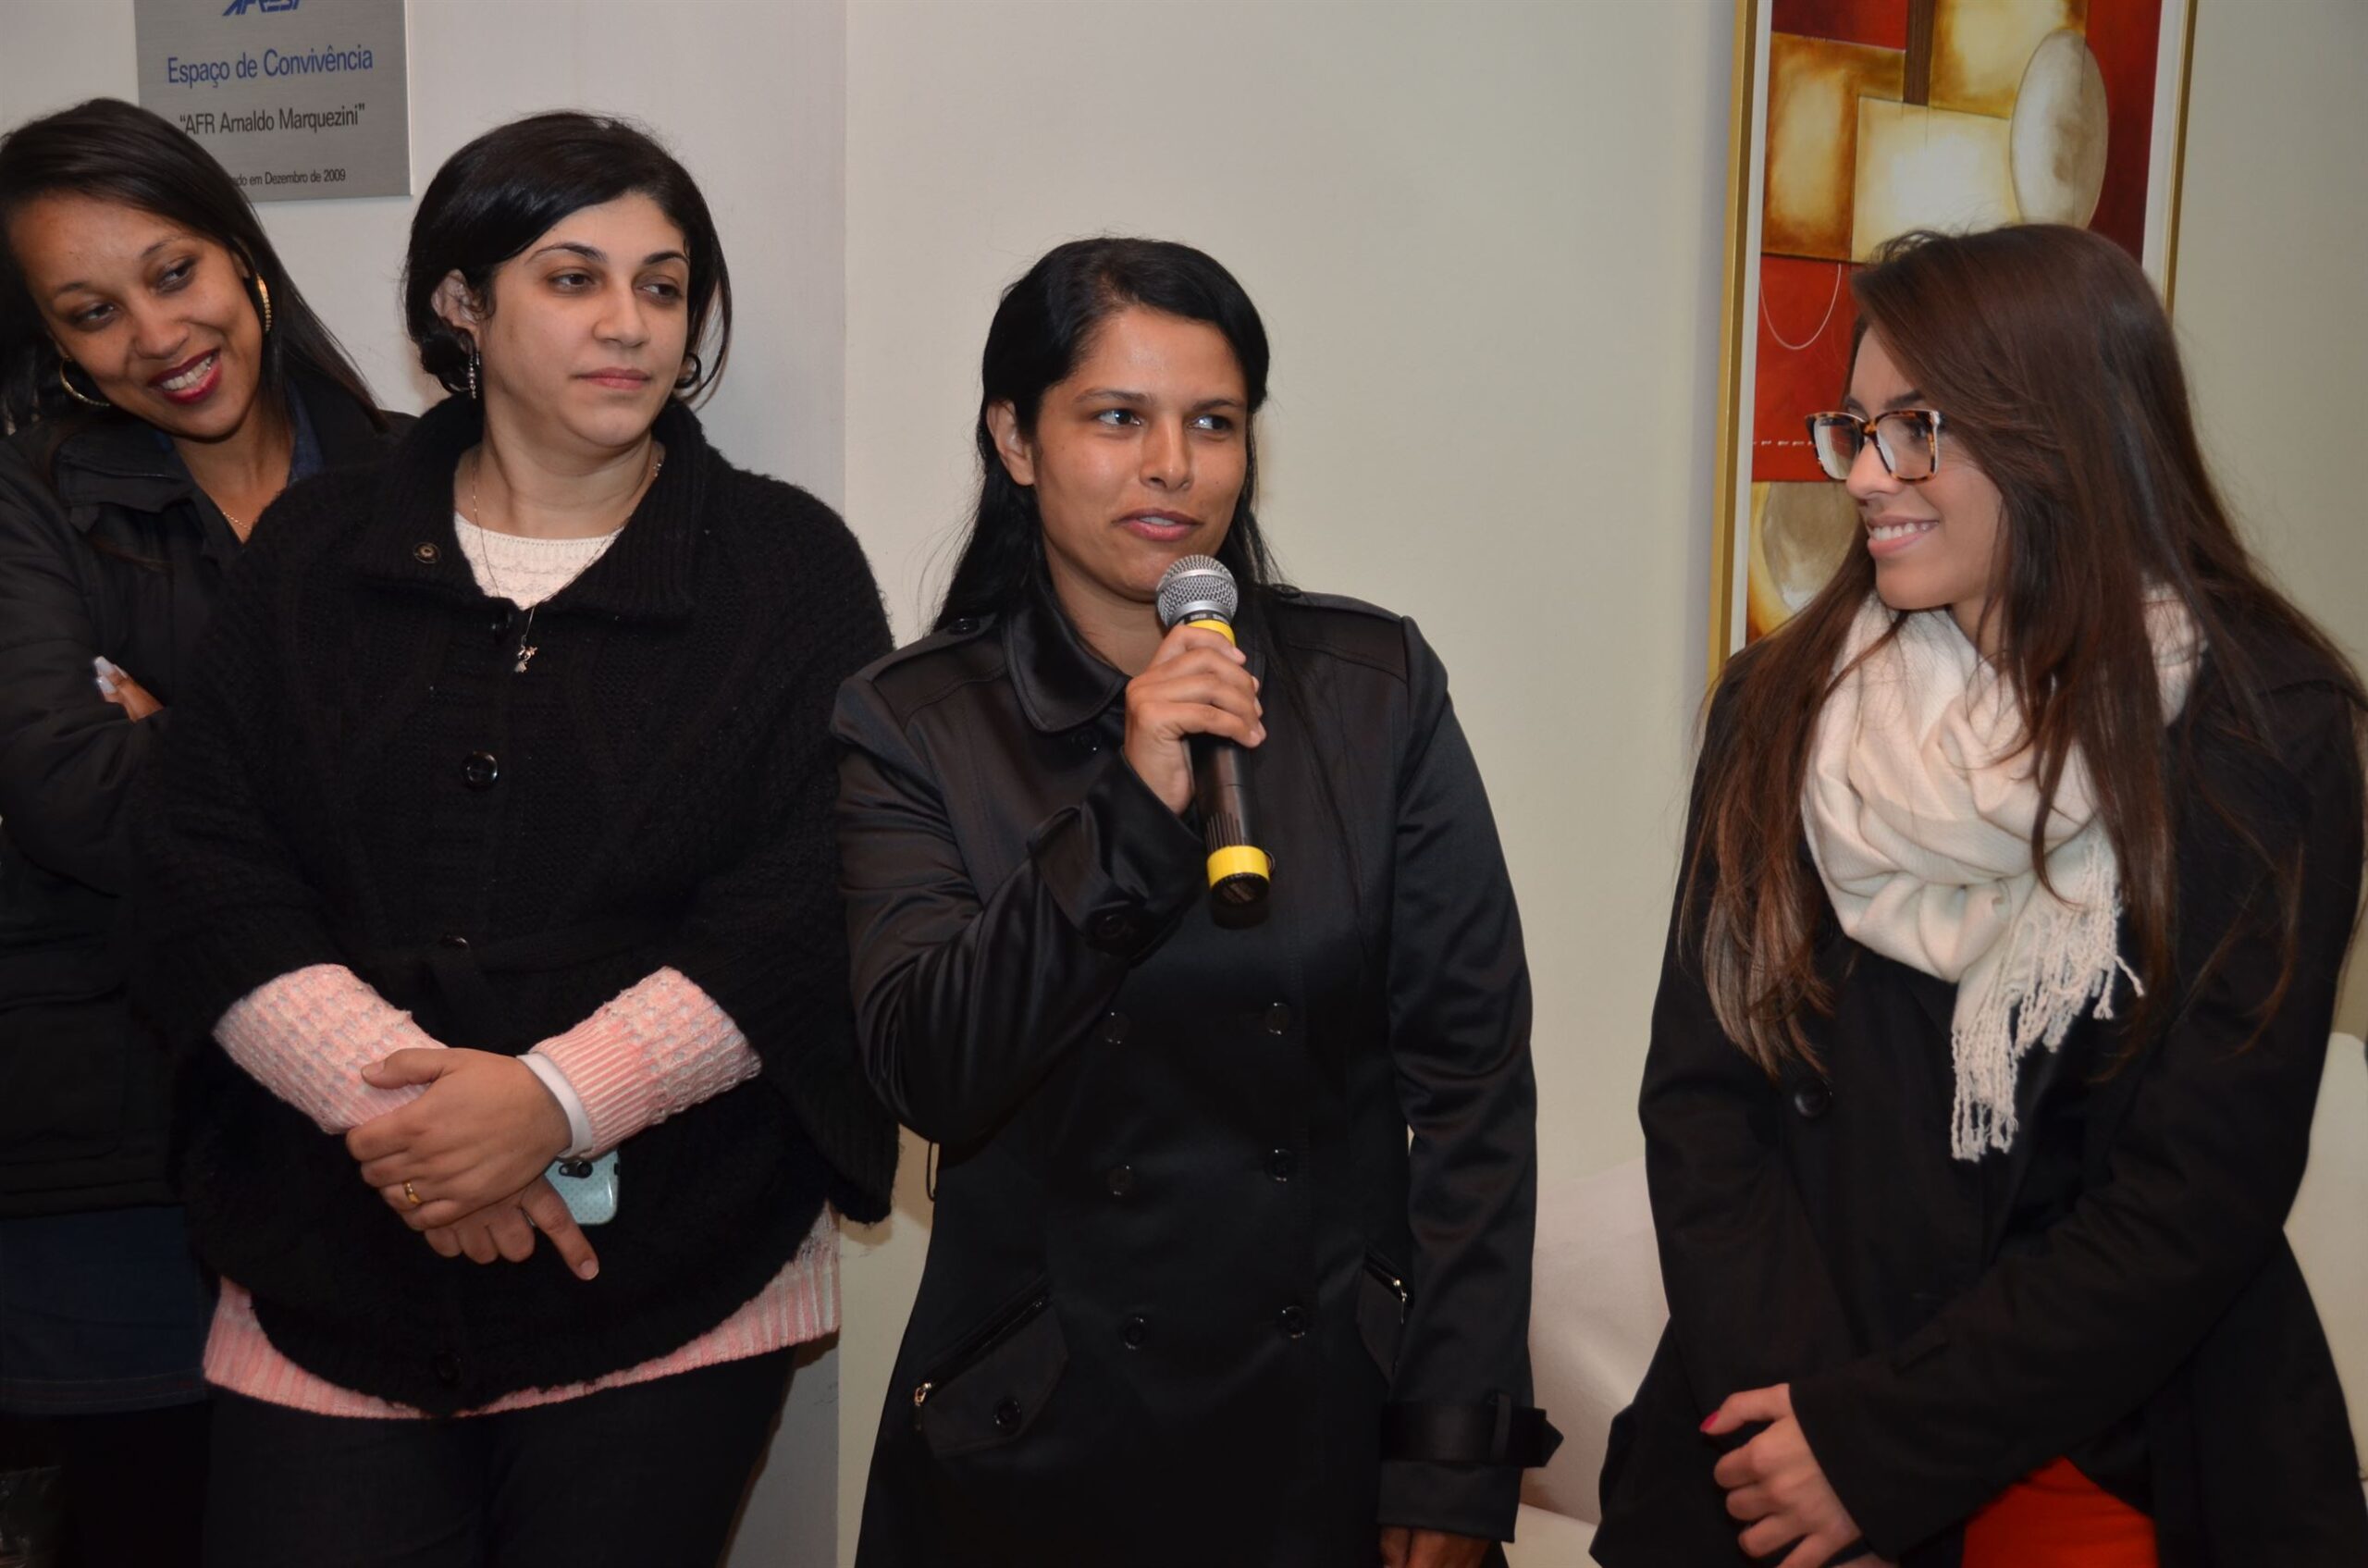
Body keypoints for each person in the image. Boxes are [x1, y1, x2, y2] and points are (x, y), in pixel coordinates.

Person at [135, 112, 896, 1567]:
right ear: (461, 303)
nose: (631, 325)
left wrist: (557, 1101)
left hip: (675, 1264)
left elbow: (816, 891)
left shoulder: (787, 566)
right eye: (573, 278)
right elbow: (205, 860)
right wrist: (418, 1129)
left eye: (663, 287)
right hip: (331, 1247)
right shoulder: (311, 553)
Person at [1595, 225, 2368, 1568]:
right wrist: (1812, 1445)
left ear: (2061, 434)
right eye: (1857, 429)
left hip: (2111, 1441)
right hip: (1778, 1427)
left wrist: (1881, 1449)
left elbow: (2198, 1191)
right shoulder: (1780, 706)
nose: (1867, 476)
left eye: (1917, 430)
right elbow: (1704, 1104)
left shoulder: (2256, 736)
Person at [834, 237, 1555, 1568]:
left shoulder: (1373, 689)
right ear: (1016, 438)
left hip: (1330, 1429)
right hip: (1039, 1442)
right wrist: (1129, 809)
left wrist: (1455, 1453)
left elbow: (1473, 1098)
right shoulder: (912, 722)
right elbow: (933, 1070)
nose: (1173, 465)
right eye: (1119, 418)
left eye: (1213, 423)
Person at [0, 97, 400, 1565]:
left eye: (173, 273)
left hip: (372, 1125)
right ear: (54, 343)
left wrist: (181, 724)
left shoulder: (417, 476)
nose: (156, 335)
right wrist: (348, 747)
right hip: (120, 1146)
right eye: (92, 312)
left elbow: (497, 789)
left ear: (242, 256)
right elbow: (72, 799)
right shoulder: (30, 501)